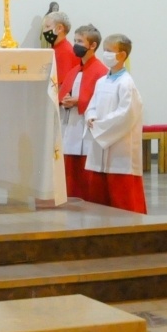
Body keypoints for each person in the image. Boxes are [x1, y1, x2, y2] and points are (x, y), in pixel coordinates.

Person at [84, 33, 146, 214]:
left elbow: (126, 114)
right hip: (100, 141)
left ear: (122, 55)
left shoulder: (126, 83)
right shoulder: (101, 81)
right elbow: (92, 105)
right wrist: (91, 117)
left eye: (109, 51)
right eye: (104, 50)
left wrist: (100, 126)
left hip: (119, 146)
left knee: (121, 195)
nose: (105, 54)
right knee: (99, 195)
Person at [60, 25, 108, 204]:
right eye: (75, 40)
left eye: (80, 41)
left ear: (93, 45)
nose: (75, 45)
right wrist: (65, 100)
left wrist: (79, 101)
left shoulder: (101, 71)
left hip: (87, 126)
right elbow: (64, 92)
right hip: (71, 123)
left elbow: (102, 101)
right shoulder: (75, 70)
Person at [43, 6, 79, 90]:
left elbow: (62, 85)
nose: (44, 31)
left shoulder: (65, 51)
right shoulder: (56, 48)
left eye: (47, 27)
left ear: (59, 28)